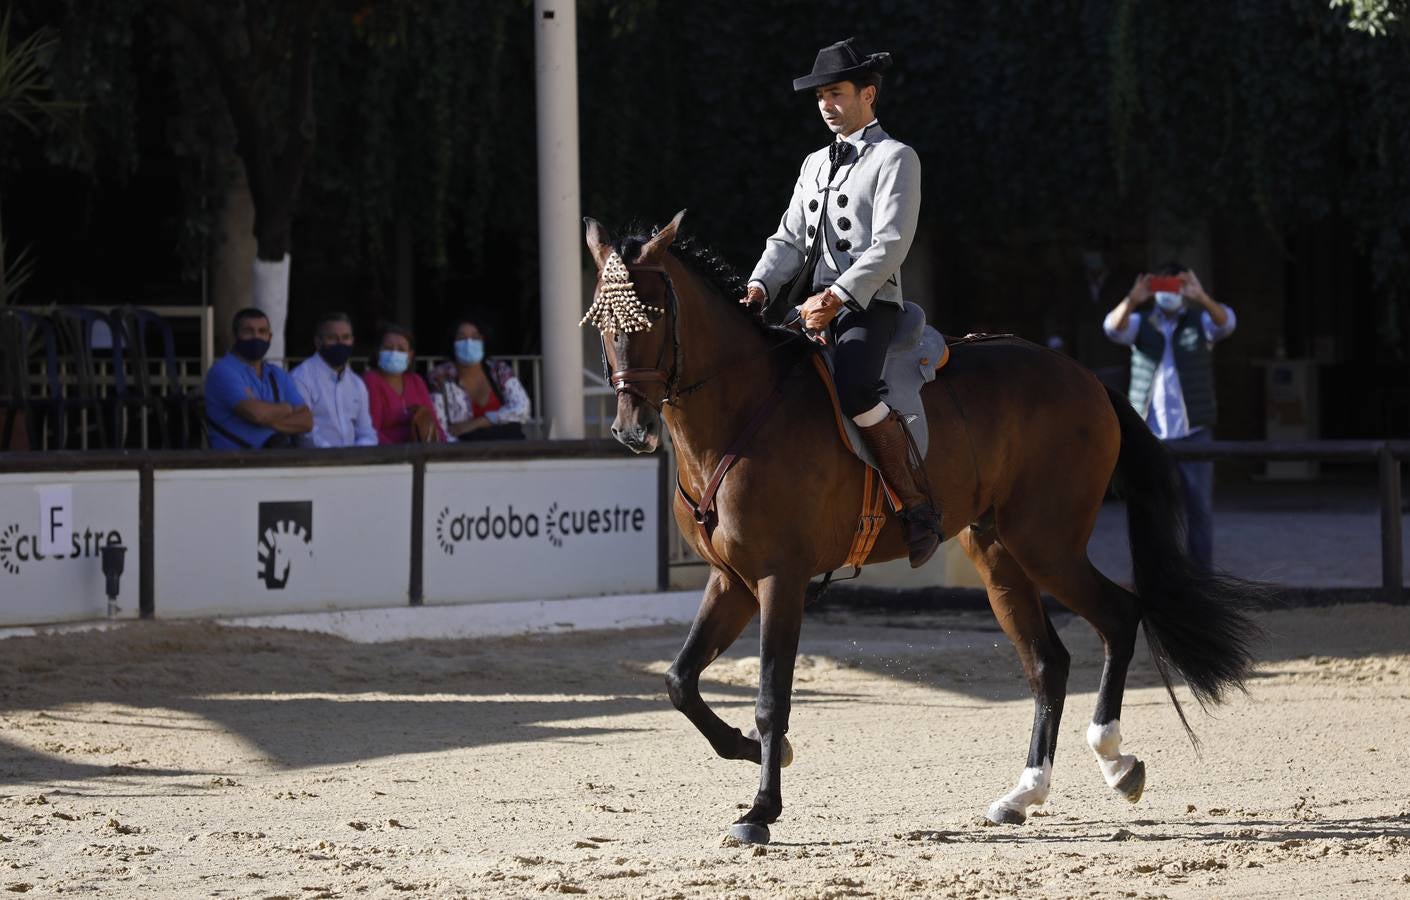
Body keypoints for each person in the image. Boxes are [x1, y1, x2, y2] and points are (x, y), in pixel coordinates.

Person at [739, 37, 939, 567]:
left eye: (836, 93)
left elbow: (892, 243)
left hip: (869, 304)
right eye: (820, 96)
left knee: (854, 386)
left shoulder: (897, 158)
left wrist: (836, 296)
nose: (827, 105)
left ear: (867, 94)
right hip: (812, 305)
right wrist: (759, 286)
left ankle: (917, 506)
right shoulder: (813, 164)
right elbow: (787, 239)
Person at [1103, 262, 1237, 569]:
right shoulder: (1140, 321)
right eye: (1163, 287)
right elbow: (1112, 328)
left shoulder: (1199, 320)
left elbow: (1227, 323)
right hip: (1150, 433)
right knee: (1150, 508)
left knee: (1199, 510)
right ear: (1153, 289)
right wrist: (1133, 299)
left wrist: (1200, 296)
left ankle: (1201, 579)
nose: (1169, 294)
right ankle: (1155, 574)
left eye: (1175, 287)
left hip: (1194, 432)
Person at [204, 307, 312, 449]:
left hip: (278, 459)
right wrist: (288, 408)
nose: (256, 337)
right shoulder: (223, 371)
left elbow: (306, 421)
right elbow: (256, 414)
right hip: (236, 463)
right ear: (234, 336)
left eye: (262, 331)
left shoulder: (278, 375)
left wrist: (267, 419)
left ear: (270, 337)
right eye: (248, 331)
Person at [429, 318, 531, 441]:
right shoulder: (439, 377)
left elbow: (522, 407)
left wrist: (479, 422)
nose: (468, 342)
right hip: (462, 455)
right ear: (452, 343)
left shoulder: (499, 370)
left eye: (475, 337)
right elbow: (441, 428)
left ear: (483, 341)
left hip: (505, 452)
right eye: (461, 338)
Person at [291, 312, 378, 448]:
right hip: (315, 463)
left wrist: (357, 457)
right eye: (332, 338)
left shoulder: (356, 383)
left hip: (354, 463)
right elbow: (305, 434)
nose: (340, 343)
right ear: (318, 342)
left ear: (352, 341)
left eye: (346, 338)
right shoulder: (301, 378)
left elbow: (366, 432)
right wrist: (336, 458)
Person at [362, 324, 445, 444]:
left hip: (421, 454)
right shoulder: (370, 380)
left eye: (401, 349)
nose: (394, 353)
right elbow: (372, 432)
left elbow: (433, 423)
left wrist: (441, 445)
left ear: (410, 355)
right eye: (388, 348)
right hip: (388, 456)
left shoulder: (416, 381)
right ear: (377, 351)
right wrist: (402, 453)